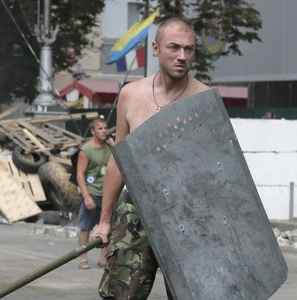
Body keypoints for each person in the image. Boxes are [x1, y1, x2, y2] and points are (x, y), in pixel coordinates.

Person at [92, 17, 209, 299]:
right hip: (135, 212)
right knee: (121, 296)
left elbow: (215, 171)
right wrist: (105, 220)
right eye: (174, 48)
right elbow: (119, 160)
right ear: (156, 49)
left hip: (186, 216)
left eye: (189, 49)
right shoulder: (131, 95)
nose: (182, 56)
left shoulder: (205, 100)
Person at [75, 118, 114, 269]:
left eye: (105, 128)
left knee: (105, 227)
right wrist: (86, 197)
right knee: (85, 227)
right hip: (92, 193)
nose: (104, 131)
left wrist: (113, 145)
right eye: (100, 129)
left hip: (107, 194)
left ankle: (103, 258)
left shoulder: (109, 147)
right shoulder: (86, 150)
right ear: (93, 131)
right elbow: (80, 175)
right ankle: (83, 258)